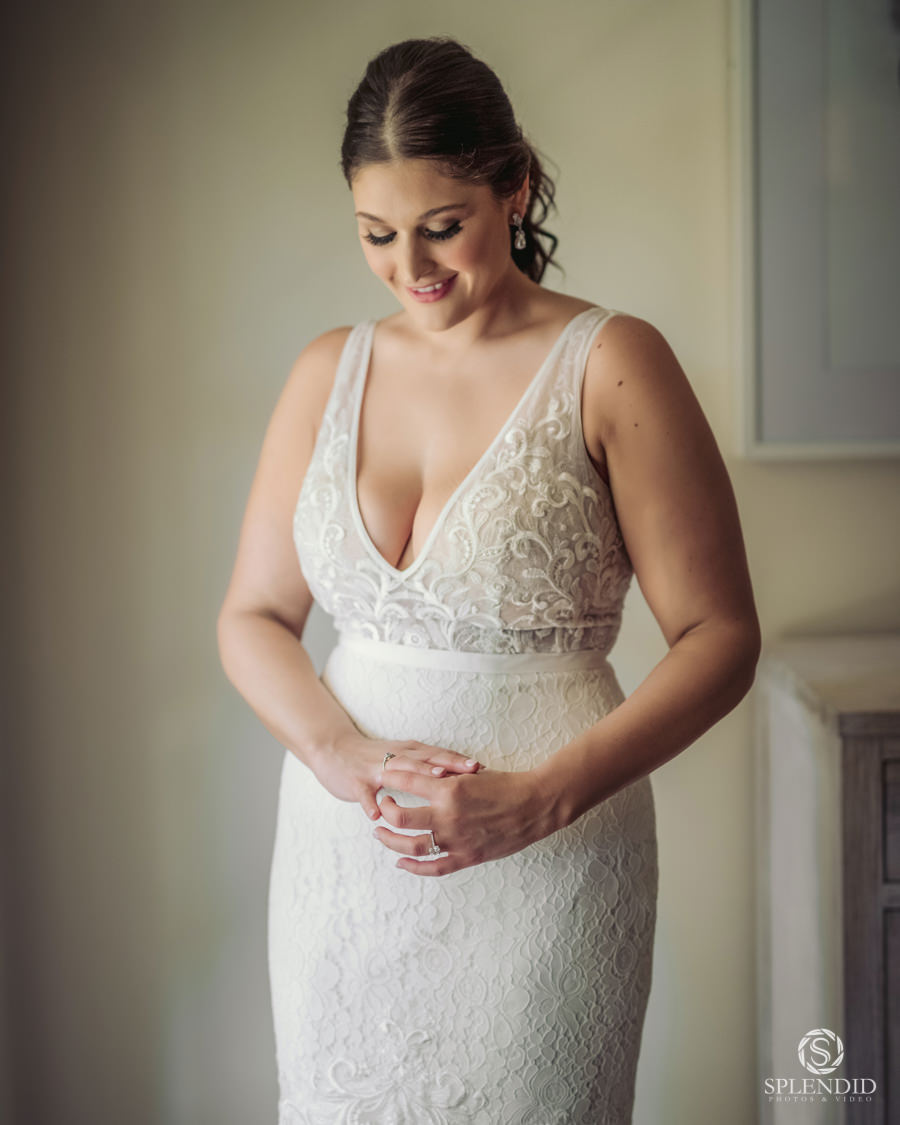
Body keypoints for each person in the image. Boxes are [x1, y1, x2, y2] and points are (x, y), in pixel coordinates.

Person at [216, 35, 761, 1125]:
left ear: (513, 187)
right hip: (343, 864)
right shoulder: (327, 371)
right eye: (377, 233)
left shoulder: (612, 363)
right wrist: (340, 754)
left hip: (552, 852)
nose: (411, 266)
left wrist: (542, 798)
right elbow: (255, 615)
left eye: (441, 224)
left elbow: (721, 634)